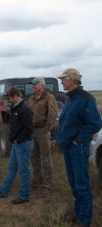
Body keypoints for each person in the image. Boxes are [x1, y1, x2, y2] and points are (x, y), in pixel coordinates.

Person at [56, 68, 101, 227]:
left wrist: (80, 140)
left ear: (73, 80)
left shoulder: (85, 98)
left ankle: (85, 220)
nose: (61, 82)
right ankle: (78, 214)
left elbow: (95, 123)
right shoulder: (70, 98)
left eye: (64, 79)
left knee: (82, 185)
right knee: (74, 184)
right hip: (68, 147)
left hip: (78, 148)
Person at [0, 86, 34, 204]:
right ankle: (3, 190)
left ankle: (24, 196)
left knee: (24, 170)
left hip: (24, 144)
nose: (8, 100)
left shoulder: (24, 109)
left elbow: (29, 128)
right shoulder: (14, 108)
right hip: (17, 144)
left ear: (16, 96)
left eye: (9, 98)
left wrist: (19, 139)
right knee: (11, 168)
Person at [28, 77, 58, 192]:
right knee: (34, 157)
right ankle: (36, 180)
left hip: (42, 131)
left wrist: (46, 129)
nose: (34, 86)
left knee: (46, 158)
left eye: (36, 84)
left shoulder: (49, 97)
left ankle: (47, 184)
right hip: (32, 131)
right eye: (33, 84)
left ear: (42, 85)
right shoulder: (31, 99)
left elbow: (53, 114)